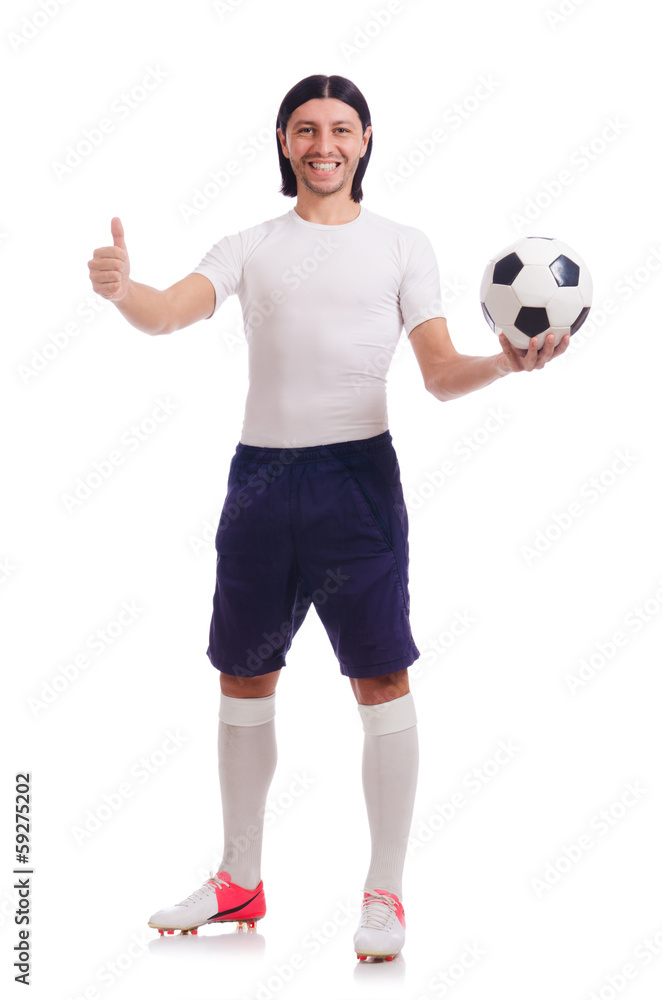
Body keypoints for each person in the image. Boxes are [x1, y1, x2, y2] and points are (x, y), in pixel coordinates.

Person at [87, 74, 568, 961]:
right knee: (243, 675)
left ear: (366, 139)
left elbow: (438, 372)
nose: (324, 144)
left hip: (357, 484)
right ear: (283, 142)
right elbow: (166, 314)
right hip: (260, 485)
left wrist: (504, 365)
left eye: (340, 129)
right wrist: (123, 290)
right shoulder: (250, 244)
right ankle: (239, 880)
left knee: (380, 680)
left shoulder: (402, 245)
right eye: (306, 129)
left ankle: (385, 895)